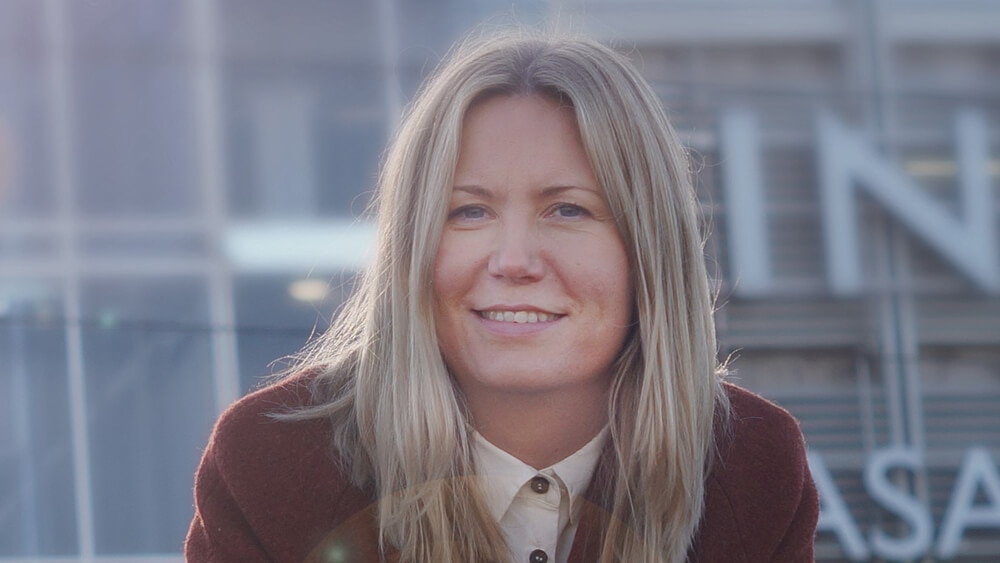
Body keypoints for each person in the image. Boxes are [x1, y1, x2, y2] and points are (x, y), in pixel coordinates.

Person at [185, 32, 818, 563]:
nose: (513, 261)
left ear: (647, 249)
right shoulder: (271, 464)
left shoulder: (753, 466)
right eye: (469, 211)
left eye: (568, 209)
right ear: (412, 246)